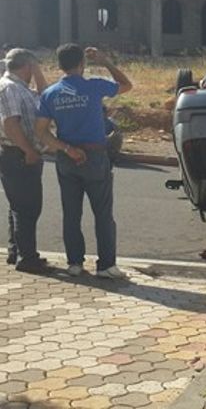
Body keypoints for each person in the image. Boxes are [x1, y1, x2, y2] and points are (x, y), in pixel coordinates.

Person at [36, 44, 133, 279]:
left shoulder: (50, 94)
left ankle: (75, 264)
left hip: (67, 158)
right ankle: (106, 266)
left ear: (60, 65)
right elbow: (127, 85)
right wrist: (106, 62)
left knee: (71, 213)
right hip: (95, 156)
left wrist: (66, 149)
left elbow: (41, 131)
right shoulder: (93, 86)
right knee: (102, 213)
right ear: (82, 63)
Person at [0, 49, 50, 273]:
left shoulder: (19, 87)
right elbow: (10, 124)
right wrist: (28, 150)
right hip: (18, 154)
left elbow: (45, 95)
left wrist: (36, 70)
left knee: (19, 207)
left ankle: (17, 251)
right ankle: (27, 258)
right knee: (28, 207)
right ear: (27, 65)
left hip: (19, 154)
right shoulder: (9, 88)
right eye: (34, 66)